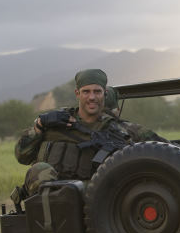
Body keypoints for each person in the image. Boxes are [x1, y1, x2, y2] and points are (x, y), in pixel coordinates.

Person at [14, 69, 163, 195]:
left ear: (104, 93)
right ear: (77, 93)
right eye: (86, 92)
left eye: (97, 92)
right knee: (39, 170)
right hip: (52, 205)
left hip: (100, 202)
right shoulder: (55, 122)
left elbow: (169, 153)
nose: (92, 97)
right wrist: (39, 126)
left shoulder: (124, 130)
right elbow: (22, 156)